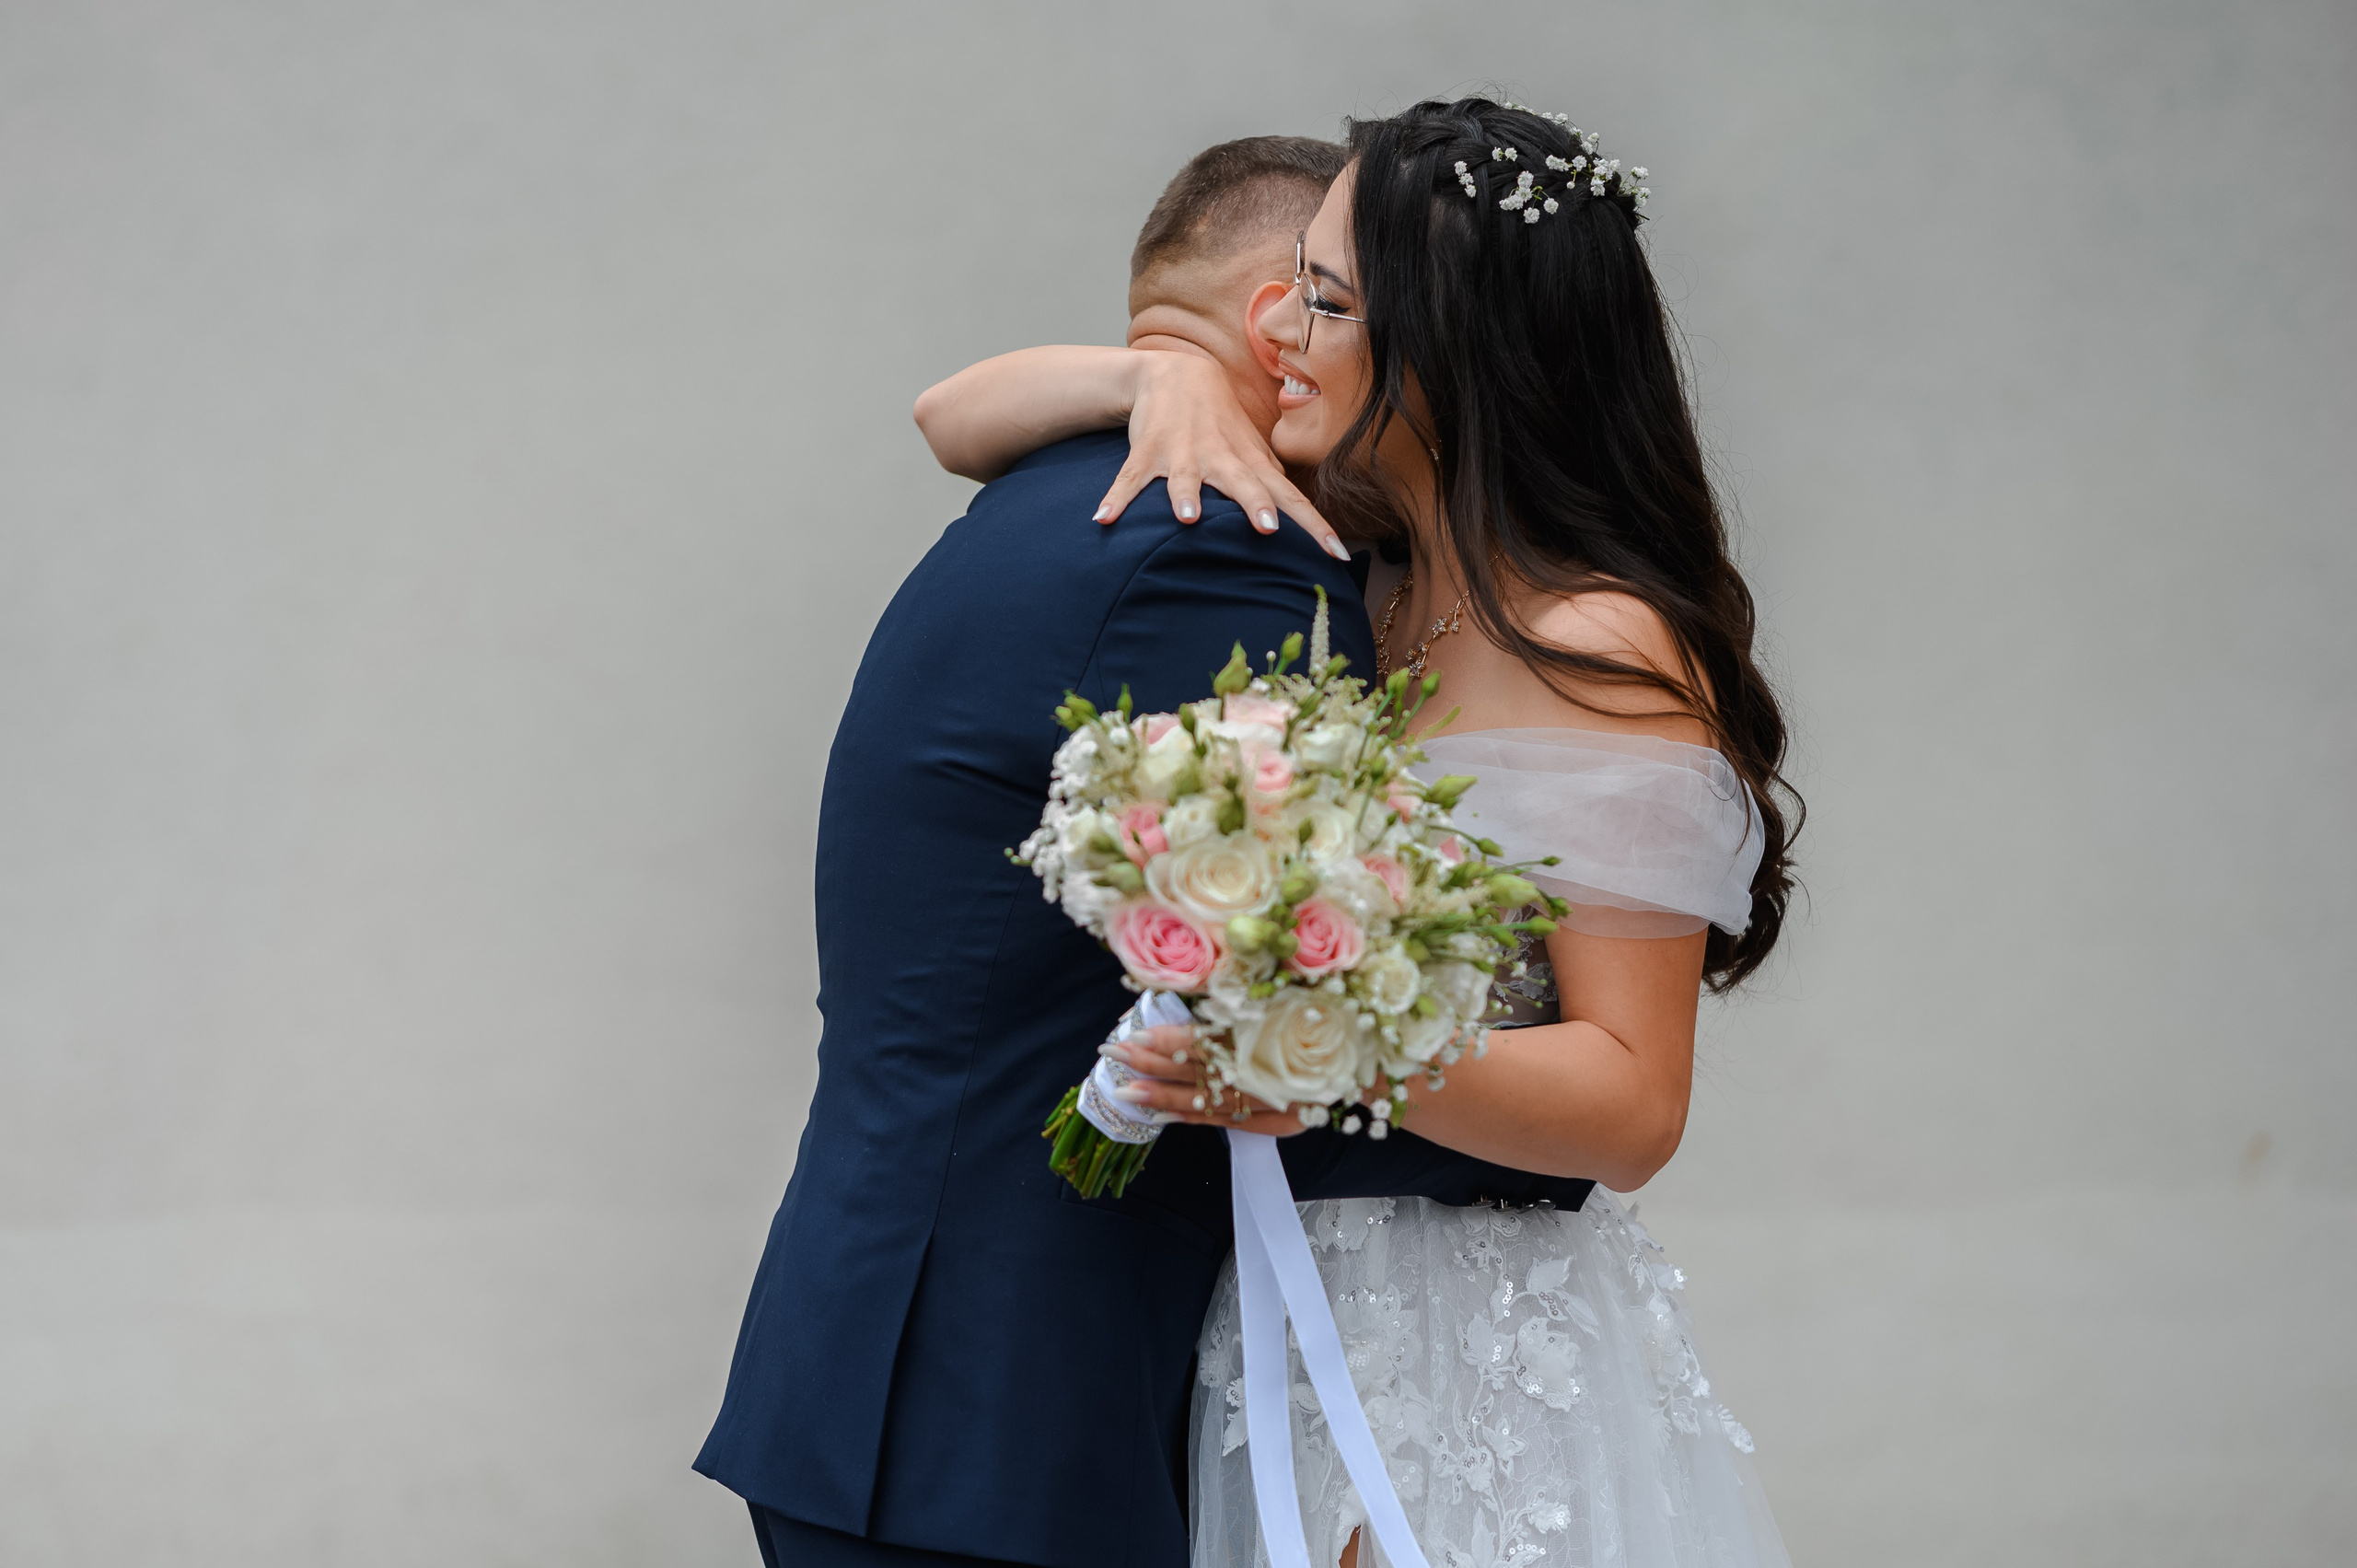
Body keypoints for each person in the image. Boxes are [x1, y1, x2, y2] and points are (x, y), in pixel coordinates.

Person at [911, 99, 1799, 1568]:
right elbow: (954, 413)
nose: (1277, 327)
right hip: (1268, 1324)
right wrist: (1158, 378)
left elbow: (1636, 1101)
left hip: (1478, 1350)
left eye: (1323, 296)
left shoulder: (1606, 647)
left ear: (1446, 341)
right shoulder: (1363, 581)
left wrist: (1313, 1052)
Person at [694, 134, 1593, 1568]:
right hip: (1002, 1409)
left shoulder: (1039, 493)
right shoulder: (1220, 544)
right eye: (1346, 305)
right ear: (1274, 323)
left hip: (877, 1362)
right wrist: (1546, 1154)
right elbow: (1265, 981)